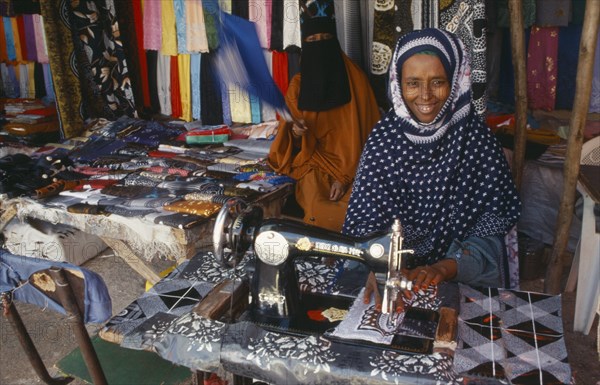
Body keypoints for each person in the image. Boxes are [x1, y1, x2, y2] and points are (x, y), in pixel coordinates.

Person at [342, 28, 521, 306]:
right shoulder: (383, 141)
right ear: (397, 84)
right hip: (388, 276)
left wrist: (443, 268)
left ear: (456, 80)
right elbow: (364, 225)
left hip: (458, 275)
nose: (425, 96)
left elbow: (491, 230)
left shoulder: (477, 142)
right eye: (412, 83)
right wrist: (380, 268)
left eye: (437, 81)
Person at [268, 0, 381, 232]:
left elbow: (373, 140)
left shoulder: (356, 80)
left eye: (324, 39)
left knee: (358, 211)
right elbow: (288, 147)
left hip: (357, 168)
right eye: (312, 41)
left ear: (335, 41)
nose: (319, 45)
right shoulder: (299, 86)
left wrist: (346, 177)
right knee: (319, 210)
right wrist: (296, 133)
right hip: (314, 167)